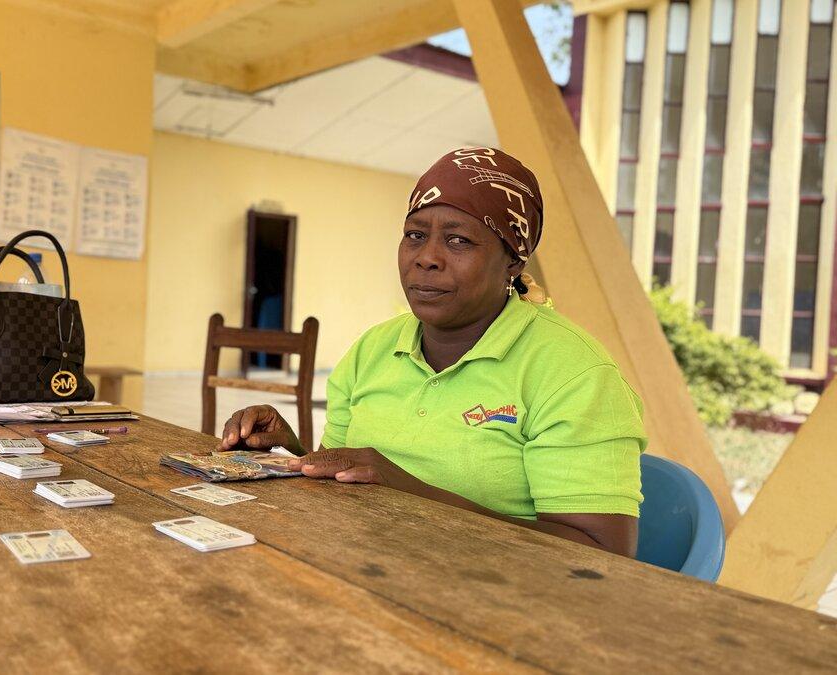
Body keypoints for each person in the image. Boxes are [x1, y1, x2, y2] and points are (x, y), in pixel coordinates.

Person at [219, 147, 645, 557]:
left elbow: (602, 555)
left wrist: (406, 489)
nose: (427, 258)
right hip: (365, 567)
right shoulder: (372, 350)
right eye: (415, 236)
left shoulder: (575, 374)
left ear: (514, 261)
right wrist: (291, 452)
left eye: (458, 240)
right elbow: (344, 486)